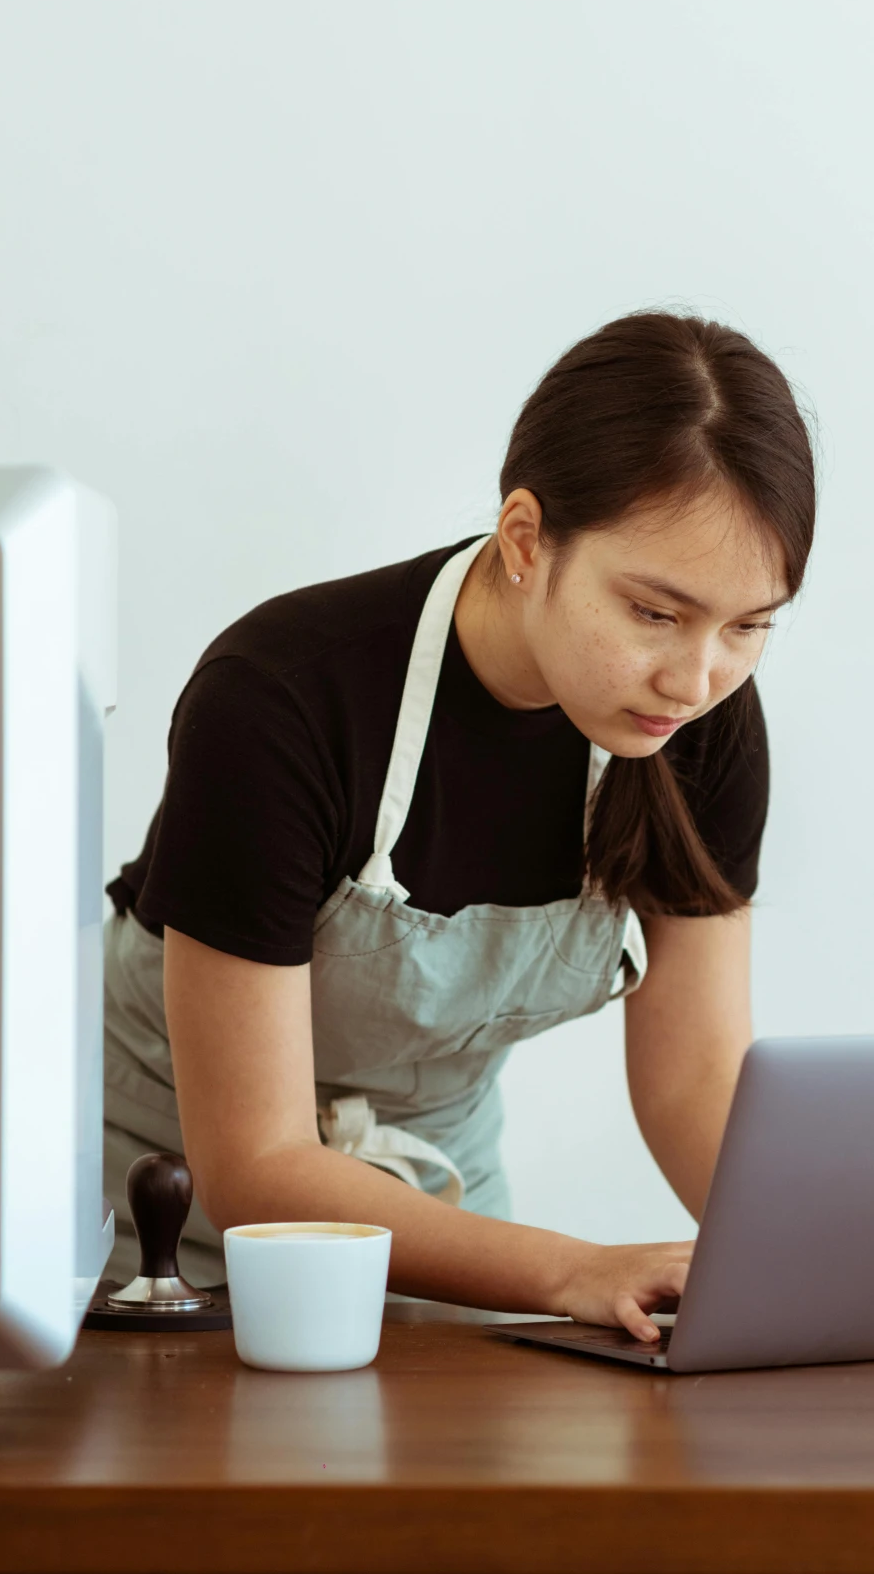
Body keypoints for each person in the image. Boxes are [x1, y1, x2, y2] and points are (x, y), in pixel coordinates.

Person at [104, 310, 815, 1343]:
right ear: (525, 539)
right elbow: (254, 1166)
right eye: (655, 613)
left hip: (441, 1212)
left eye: (748, 625)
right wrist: (573, 1269)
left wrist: (816, 1267)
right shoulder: (281, 698)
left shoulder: (694, 730)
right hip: (159, 1203)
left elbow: (692, 1075)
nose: (696, 677)